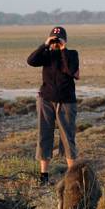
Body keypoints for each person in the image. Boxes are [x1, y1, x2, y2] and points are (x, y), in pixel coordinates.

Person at [27, 26, 80, 186]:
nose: (56, 41)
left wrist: (63, 49)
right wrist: (45, 45)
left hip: (66, 101)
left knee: (67, 137)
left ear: (65, 39)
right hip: (46, 100)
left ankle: (72, 175)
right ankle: (43, 177)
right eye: (54, 38)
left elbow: (71, 70)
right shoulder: (46, 55)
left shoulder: (72, 54)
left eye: (59, 39)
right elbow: (31, 61)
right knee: (44, 135)